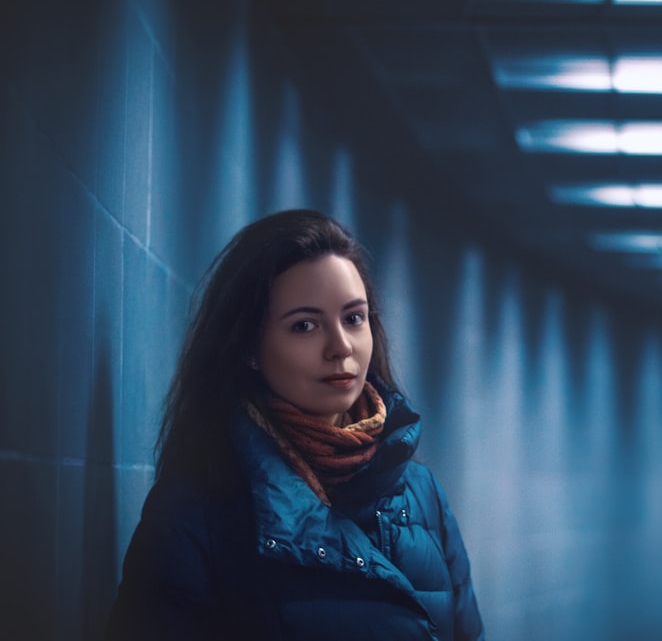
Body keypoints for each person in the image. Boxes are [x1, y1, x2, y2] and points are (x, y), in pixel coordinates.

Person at [107, 209, 484, 641]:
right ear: (250, 347)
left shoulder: (423, 494)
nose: (340, 347)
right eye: (305, 326)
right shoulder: (197, 510)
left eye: (354, 318)